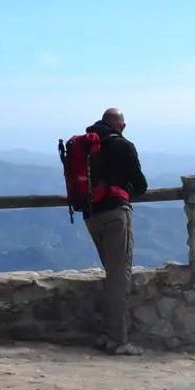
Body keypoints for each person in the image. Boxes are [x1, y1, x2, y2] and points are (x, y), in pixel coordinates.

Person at [83, 107, 147, 355]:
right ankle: (118, 340)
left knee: (112, 273)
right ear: (119, 125)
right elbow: (141, 185)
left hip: (90, 215)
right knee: (119, 277)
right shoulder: (123, 146)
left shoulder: (87, 144)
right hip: (115, 215)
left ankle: (108, 334)